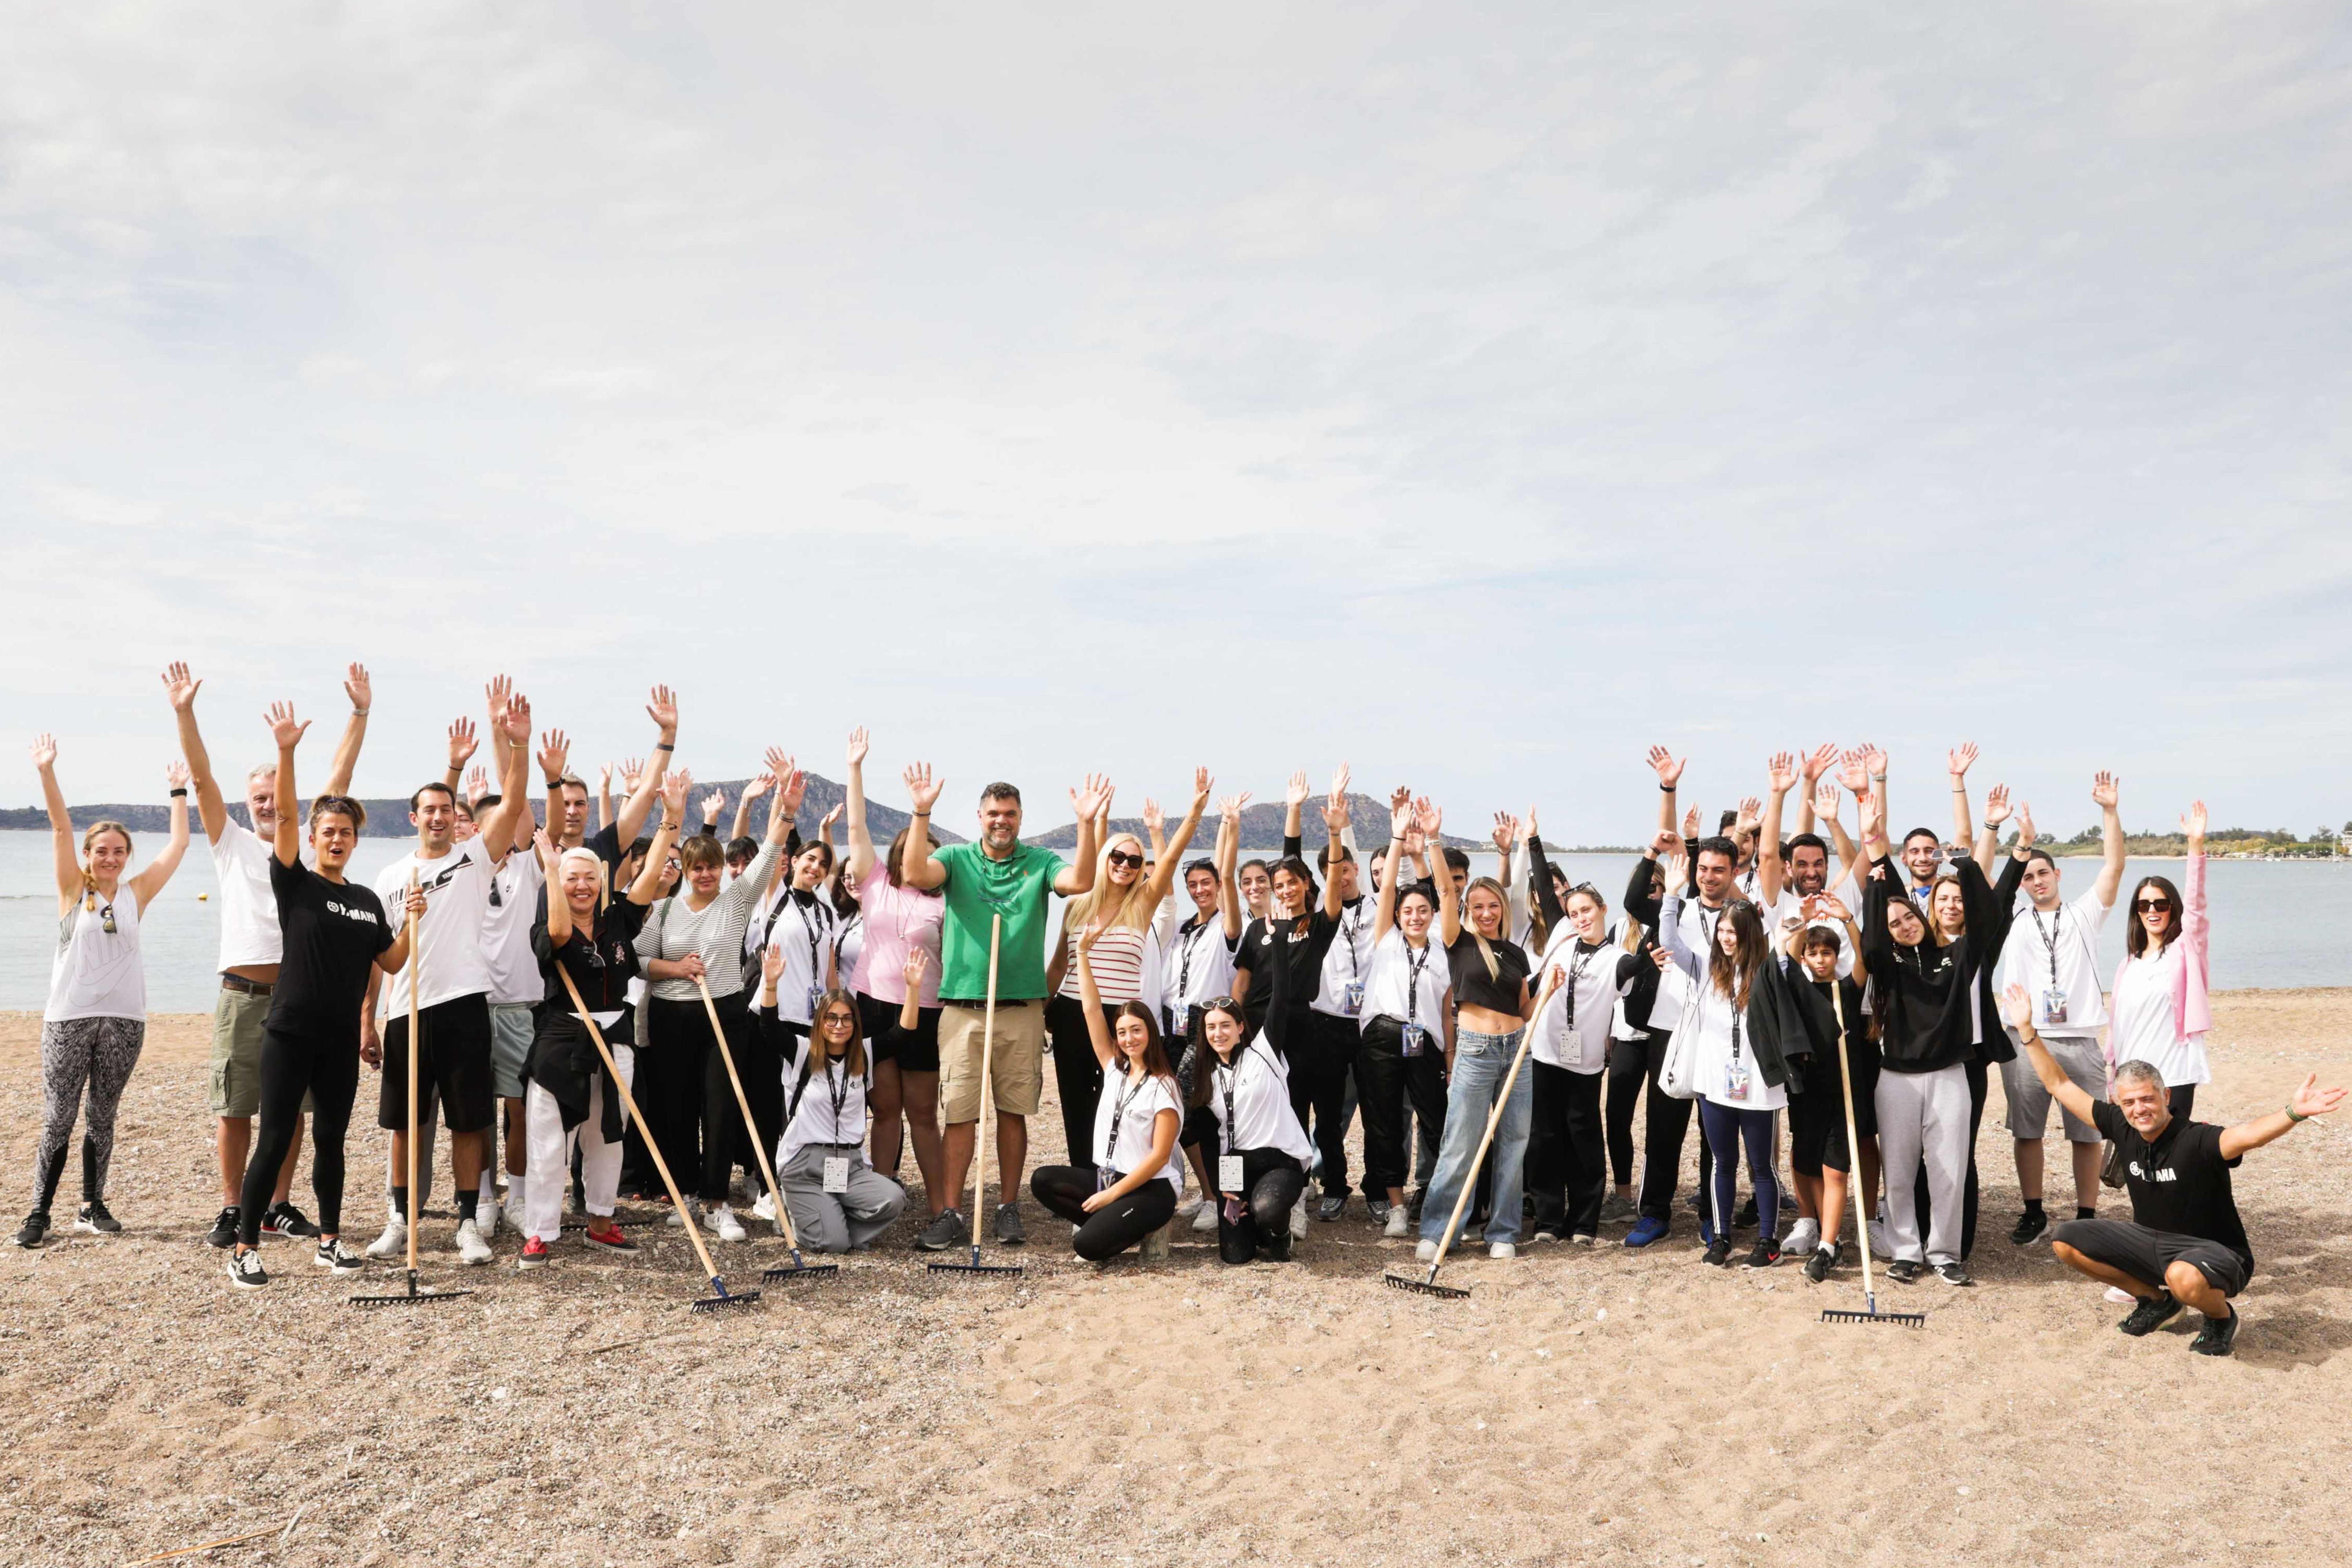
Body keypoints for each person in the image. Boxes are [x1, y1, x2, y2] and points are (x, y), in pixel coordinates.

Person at [2013, 986, 2347, 1357]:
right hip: (2150, 1244)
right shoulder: (2120, 1125)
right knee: (2067, 1239)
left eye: (2147, 1099)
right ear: (2119, 1104)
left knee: (2183, 1277)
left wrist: (2294, 1112)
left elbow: (2249, 1135)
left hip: (2217, 1253)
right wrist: (2028, 1030)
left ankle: (2220, 1318)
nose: (2139, 1109)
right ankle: (2157, 1302)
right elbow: (2059, 1084)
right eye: (2129, 1102)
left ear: (2166, 1097)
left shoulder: (2197, 1140)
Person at [163, 660, 372, 1248]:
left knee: (296, 1113)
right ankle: (234, 1208)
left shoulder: (301, 859)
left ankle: (279, 1204)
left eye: (272, 798)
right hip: (243, 994)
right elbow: (202, 779)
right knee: (235, 1109)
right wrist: (185, 711)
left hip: (298, 1000)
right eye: (256, 797)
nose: (265, 805)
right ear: (246, 802)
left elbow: (341, 773)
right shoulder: (230, 843)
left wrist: (359, 713)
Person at [227, 704, 425, 1287]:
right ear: (313, 839)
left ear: (356, 841)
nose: (336, 839)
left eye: (346, 833)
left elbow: (390, 961)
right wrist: (286, 753)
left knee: (332, 1141)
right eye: (328, 832)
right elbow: (285, 813)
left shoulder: (366, 900)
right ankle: (243, 1248)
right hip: (289, 1032)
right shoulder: (297, 883)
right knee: (275, 1137)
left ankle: (331, 1241)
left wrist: (412, 920)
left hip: (339, 1040)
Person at [898, 765, 1109, 1252]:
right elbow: (914, 873)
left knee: (1012, 1113)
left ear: (1020, 818)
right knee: (961, 1115)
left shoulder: (1039, 861)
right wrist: (921, 810)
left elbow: (1079, 881)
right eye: (994, 813)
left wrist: (1085, 823)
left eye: (1010, 814)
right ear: (979, 816)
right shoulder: (954, 857)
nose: (1002, 821)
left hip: (1020, 1007)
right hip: (964, 1008)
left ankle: (1007, 1207)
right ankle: (952, 1212)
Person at [357, 685, 532, 1268]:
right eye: (427, 810)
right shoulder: (389, 876)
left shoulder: (472, 857)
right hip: (406, 1010)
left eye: (446, 810)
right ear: (414, 818)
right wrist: (368, 1020)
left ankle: (465, 1223)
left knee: (467, 1121)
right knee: (405, 1127)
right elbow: (379, 959)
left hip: (463, 1004)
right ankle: (399, 1220)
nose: (437, 817)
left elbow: (510, 807)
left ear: (456, 819)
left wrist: (516, 743)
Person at [13, 738, 189, 1248]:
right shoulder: (75, 890)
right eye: (101, 851)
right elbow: (61, 827)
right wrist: (47, 771)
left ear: (127, 855)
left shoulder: (137, 894)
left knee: (103, 1116)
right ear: (89, 855)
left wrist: (179, 791)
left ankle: (92, 1206)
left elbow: (178, 847)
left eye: (119, 851)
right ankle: (39, 1212)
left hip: (125, 1022)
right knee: (59, 1118)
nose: (110, 858)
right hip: (68, 1020)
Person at [517, 794, 682, 1269]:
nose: (582, 885)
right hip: (561, 1041)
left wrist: (671, 820)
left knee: (609, 1134)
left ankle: (602, 1221)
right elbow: (563, 935)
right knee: (551, 1138)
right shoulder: (546, 925)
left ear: (603, 881)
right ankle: (541, 1231)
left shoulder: (618, 921)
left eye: (591, 876)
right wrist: (552, 869)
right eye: (573, 878)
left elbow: (650, 877)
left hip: (615, 1036)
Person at [635, 756, 797, 1241]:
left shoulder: (737, 899)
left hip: (724, 1013)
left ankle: (716, 1201)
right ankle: (685, 1194)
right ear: (684, 869)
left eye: (711, 868)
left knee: (721, 1106)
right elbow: (639, 960)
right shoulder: (663, 909)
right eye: (697, 868)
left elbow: (769, 853)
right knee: (677, 1106)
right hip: (672, 1014)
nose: (705, 875)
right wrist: (676, 967)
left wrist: (784, 809)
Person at [1857, 787, 1995, 1286]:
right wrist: (1875, 862)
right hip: (1896, 1078)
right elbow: (1873, 934)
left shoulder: (1956, 956)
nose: (1903, 925)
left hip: (1950, 1075)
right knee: (1898, 1170)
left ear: (1924, 916)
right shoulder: (1887, 964)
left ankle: (1944, 1253)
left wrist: (1970, 868)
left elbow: (1987, 919)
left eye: (1909, 917)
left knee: (1948, 1168)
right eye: (1894, 923)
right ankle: (1905, 1250)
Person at [1046, 771, 1209, 1194]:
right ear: (1105, 860)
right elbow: (1058, 965)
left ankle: (1128, 1184)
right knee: (1078, 1107)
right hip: (1070, 1013)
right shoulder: (1078, 905)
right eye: (1118, 857)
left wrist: (1194, 811)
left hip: (1121, 1019)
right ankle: (1087, 1190)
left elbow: (1171, 860)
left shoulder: (1142, 906)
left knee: (1124, 1102)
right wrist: (1039, 1013)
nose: (1125, 865)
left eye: (1134, 861)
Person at [1994, 775, 2126, 1244]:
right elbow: (1994, 889)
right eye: (2029, 876)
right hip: (2025, 1039)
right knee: (2027, 1131)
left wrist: (2109, 810)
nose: (2035, 881)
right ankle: (2033, 1211)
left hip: (2081, 1039)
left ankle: (2087, 1215)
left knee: (2088, 1132)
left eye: (2042, 873)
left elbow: (2114, 865)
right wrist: (2019, 846)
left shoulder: (2085, 913)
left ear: (2057, 875)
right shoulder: (2011, 918)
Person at [1416, 799, 1539, 1261]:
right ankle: (1438, 1228)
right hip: (1476, 1050)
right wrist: (1434, 840)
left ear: (1503, 909)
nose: (1486, 912)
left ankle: (1503, 1231)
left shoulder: (1516, 954)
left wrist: (1546, 992)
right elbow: (1446, 894)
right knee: (1461, 1142)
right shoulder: (1459, 942)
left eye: (1493, 906)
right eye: (1479, 906)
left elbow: (1525, 1009)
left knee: (1513, 1144)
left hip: (1517, 1052)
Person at [1658, 850, 1793, 1268]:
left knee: (1762, 1167)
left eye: (1733, 931)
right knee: (1722, 1162)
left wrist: (1794, 928)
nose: (1726, 937)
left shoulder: (1770, 971)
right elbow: (1670, 943)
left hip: (1758, 1086)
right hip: (1715, 1083)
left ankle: (1768, 1240)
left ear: (1750, 933)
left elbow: (1789, 946)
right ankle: (1720, 1237)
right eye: (1722, 930)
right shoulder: (1705, 967)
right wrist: (1673, 894)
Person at [839, 731, 950, 1225]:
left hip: (926, 1010)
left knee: (924, 1114)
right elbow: (858, 825)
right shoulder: (875, 884)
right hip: (875, 1006)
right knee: (884, 1110)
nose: (915, 858)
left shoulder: (945, 901)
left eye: (925, 851)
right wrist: (855, 767)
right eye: (908, 848)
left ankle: (941, 1205)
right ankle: (878, 1205)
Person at [1028, 931, 1184, 1261]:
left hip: (1152, 1189)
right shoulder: (1114, 1069)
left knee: (1086, 1247)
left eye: (1137, 1030)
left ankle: (1141, 1227)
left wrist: (1111, 1195)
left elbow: (1159, 1158)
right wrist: (1082, 954)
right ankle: (1114, 1223)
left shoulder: (1165, 1086)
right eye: (1123, 1032)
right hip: (1110, 1178)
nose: (1129, 1039)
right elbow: (1092, 1009)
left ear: (1150, 1033)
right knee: (1043, 1180)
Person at [1753, 903, 1873, 1282]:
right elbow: (1784, 960)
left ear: (1837, 955)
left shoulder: (1848, 989)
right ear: (1805, 956)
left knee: (1836, 1171)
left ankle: (1828, 1244)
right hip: (1807, 1091)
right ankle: (1814, 1224)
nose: (1821, 960)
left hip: (1845, 1095)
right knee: (1805, 1161)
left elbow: (1865, 960)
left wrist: (1848, 921)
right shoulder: (1799, 990)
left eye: (1827, 952)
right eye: (1814, 953)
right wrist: (1800, 925)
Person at [1523, 864, 1641, 1246]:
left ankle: (1584, 1222)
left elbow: (1636, 966)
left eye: (1587, 911)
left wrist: (1651, 959)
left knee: (1583, 1137)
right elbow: (1543, 886)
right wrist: (1534, 840)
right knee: (1544, 1137)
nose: (1580, 919)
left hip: (1585, 1062)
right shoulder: (1561, 935)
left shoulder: (1617, 959)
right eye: (1574, 913)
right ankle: (1548, 1219)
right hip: (1544, 1053)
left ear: (1603, 909)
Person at [760, 955, 911, 1252]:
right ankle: (797, 1217)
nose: (838, 1025)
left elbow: (902, 1035)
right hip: (805, 1165)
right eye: (831, 1018)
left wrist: (914, 988)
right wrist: (771, 984)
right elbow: (770, 1028)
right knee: (834, 1245)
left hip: (850, 1164)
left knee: (894, 1200)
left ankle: (829, 1222)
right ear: (820, 1022)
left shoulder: (864, 1055)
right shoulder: (803, 1052)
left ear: (855, 1023)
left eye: (846, 1018)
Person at [1356, 790, 1452, 1242]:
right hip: (1381, 1034)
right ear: (1395, 915)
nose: (1414, 915)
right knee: (1384, 1123)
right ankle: (1396, 1206)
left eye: (1422, 910)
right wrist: (1397, 838)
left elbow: (1443, 891)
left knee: (1438, 1121)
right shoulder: (1386, 938)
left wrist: (1429, 842)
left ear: (1432, 915)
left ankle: (1446, 1201)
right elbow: (1390, 886)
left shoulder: (1443, 947)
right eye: (1407, 911)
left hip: (1426, 1041)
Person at [1189, 944, 1315, 1264]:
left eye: (1226, 1025)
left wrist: (1281, 943)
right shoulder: (1205, 1075)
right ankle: (1257, 1229)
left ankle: (1279, 1234)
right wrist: (1221, 1187)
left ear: (1241, 1027)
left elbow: (1282, 996)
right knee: (1235, 1257)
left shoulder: (1263, 1052)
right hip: (1234, 1165)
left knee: (1267, 1209)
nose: (1219, 1033)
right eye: (1211, 1027)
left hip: (1278, 1160)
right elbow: (1207, 1140)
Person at [2107, 802, 2213, 1118]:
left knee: (2171, 1163)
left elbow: (2197, 905)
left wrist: (2195, 845)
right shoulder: (2128, 964)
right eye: (2144, 905)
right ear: (2136, 913)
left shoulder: (2186, 949)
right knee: (2130, 1165)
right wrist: (2112, 1078)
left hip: (2173, 1077)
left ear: (2173, 908)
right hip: (2130, 1082)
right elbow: (2118, 1029)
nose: (2152, 911)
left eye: (2161, 903)